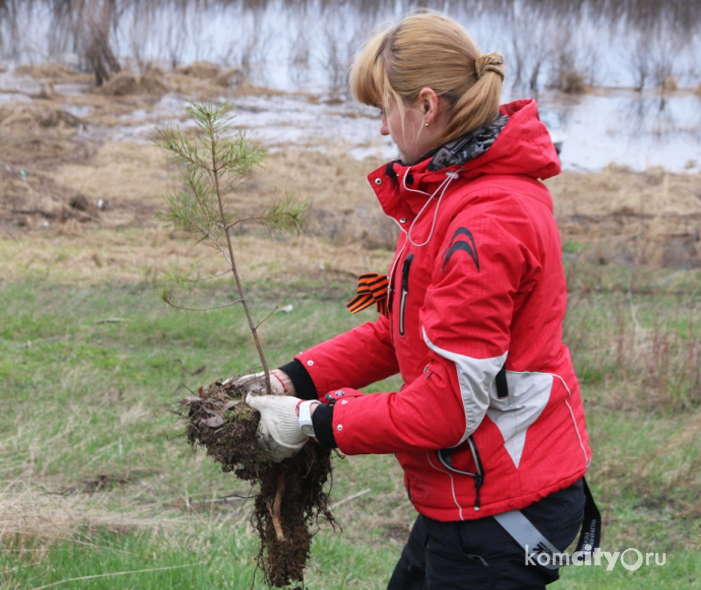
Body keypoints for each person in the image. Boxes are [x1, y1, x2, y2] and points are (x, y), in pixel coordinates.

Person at [233, 11, 598, 590]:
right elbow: (397, 331)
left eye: (385, 108)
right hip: (469, 497)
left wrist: (312, 421)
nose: (382, 128)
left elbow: (446, 408)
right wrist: (292, 380)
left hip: (502, 510)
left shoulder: (485, 221)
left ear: (427, 106)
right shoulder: (447, 194)